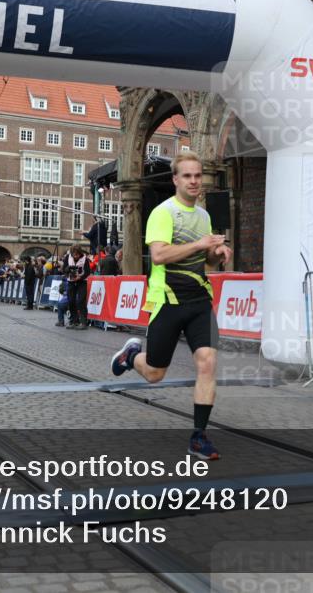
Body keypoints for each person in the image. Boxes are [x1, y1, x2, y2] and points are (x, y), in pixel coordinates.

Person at [110, 151, 231, 460]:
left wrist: (218, 254)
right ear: (176, 180)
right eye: (187, 176)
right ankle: (133, 356)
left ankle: (199, 437)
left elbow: (207, 260)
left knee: (207, 363)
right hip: (167, 301)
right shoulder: (163, 213)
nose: (193, 181)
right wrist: (201, 244)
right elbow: (160, 255)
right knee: (154, 374)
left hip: (200, 301)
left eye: (197, 175)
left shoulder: (203, 216)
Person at [68, 245, 90, 330]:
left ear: (80, 253)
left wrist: (80, 277)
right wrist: (68, 271)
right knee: (71, 301)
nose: (75, 256)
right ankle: (74, 321)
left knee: (81, 301)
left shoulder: (85, 259)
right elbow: (64, 269)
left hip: (82, 281)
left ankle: (84, 322)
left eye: (77, 254)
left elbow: (88, 272)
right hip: (71, 281)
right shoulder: (68, 257)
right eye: (74, 254)